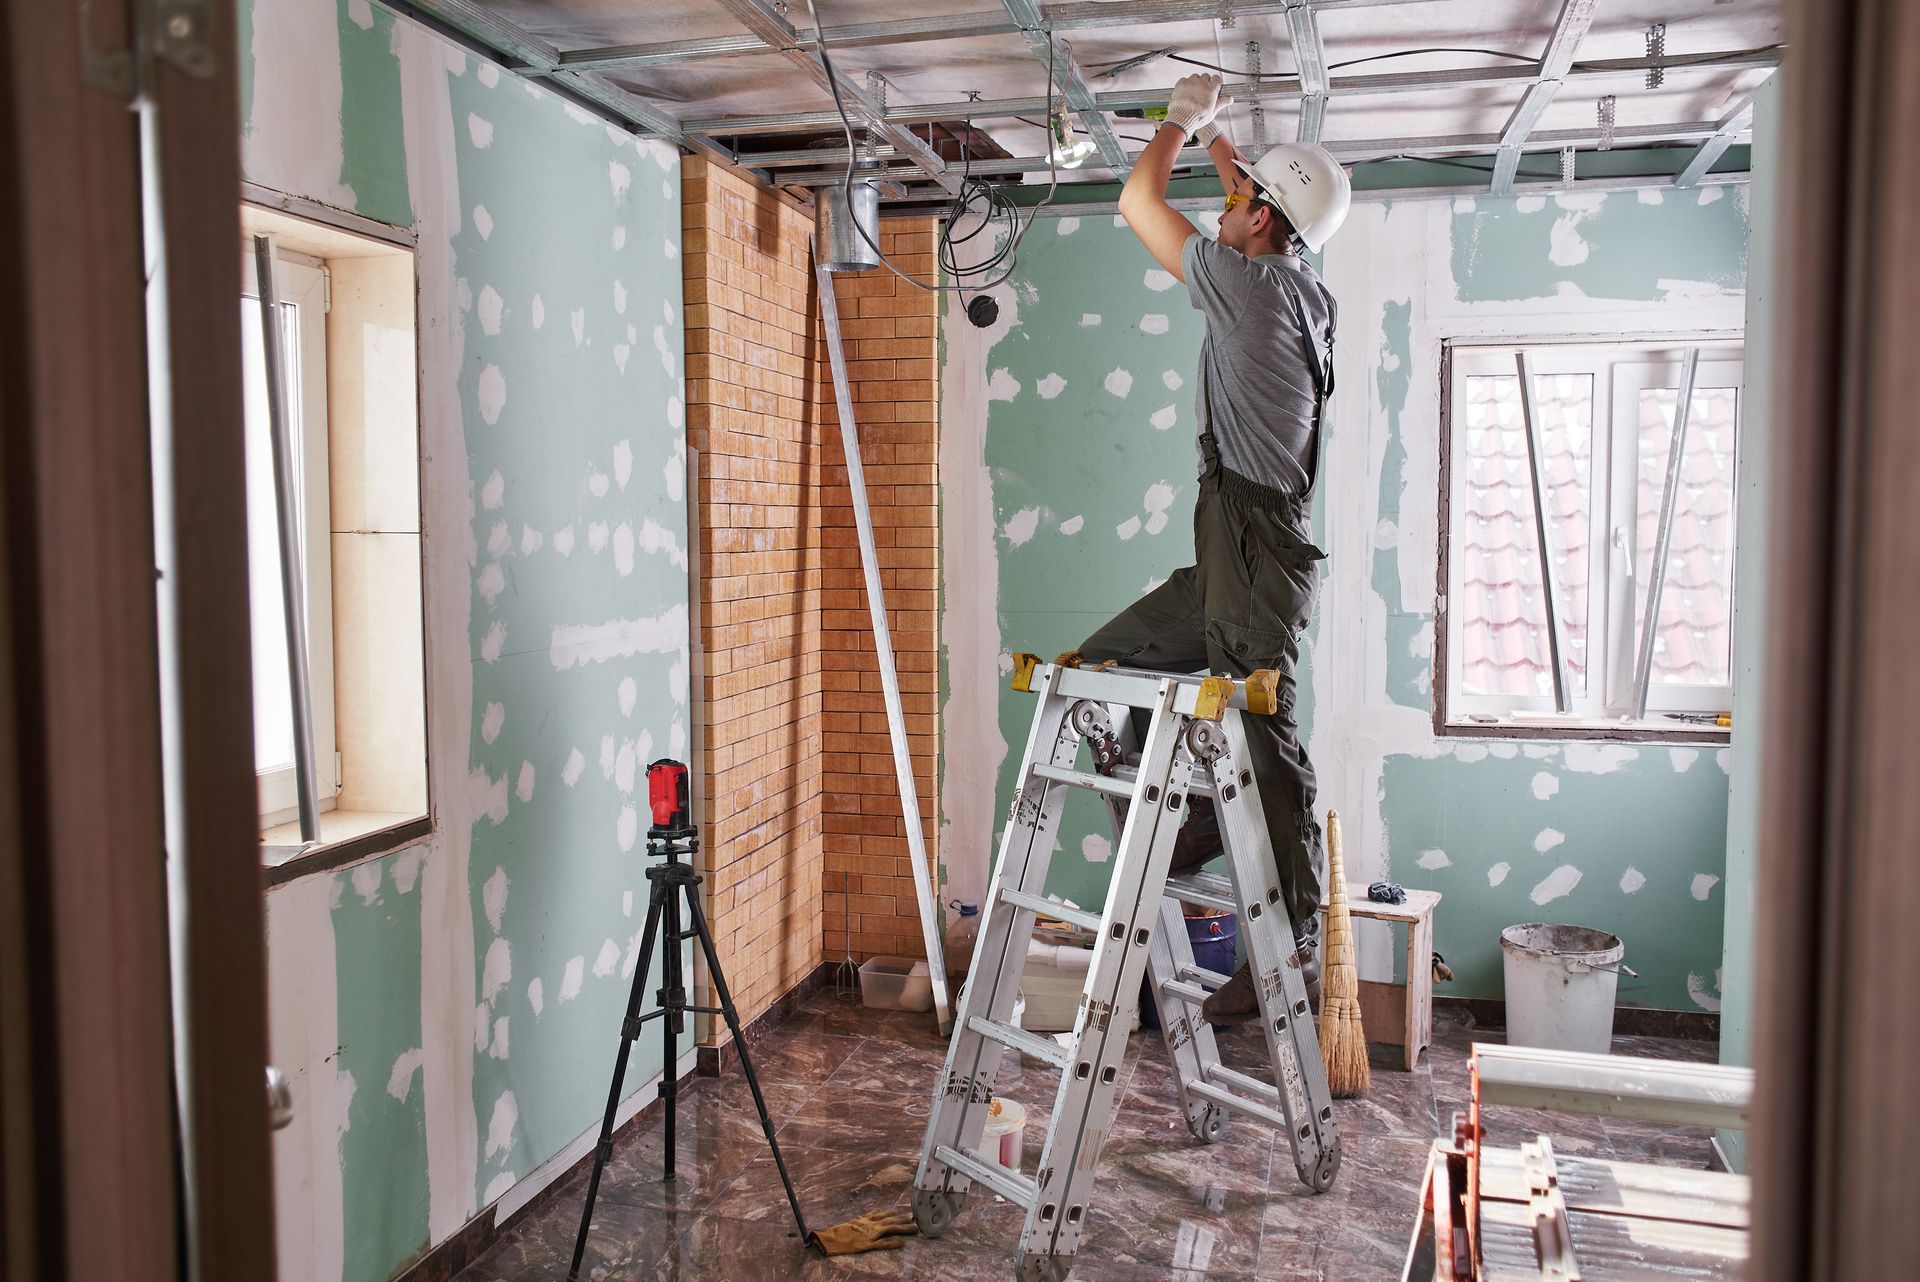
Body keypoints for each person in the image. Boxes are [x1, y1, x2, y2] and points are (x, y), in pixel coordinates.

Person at [1075, 73, 1349, 1023]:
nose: (1219, 210)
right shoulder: (1299, 286)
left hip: (1253, 551)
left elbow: (1135, 203)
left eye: (1234, 203)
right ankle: (1187, 828)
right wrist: (1231, 148)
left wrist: (1179, 122)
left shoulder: (1244, 286)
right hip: (1236, 546)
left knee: (1260, 730)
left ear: (1264, 224)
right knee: (1098, 665)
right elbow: (1251, 204)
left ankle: (1299, 944)